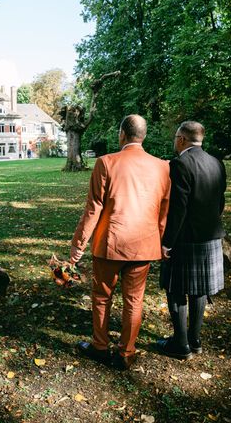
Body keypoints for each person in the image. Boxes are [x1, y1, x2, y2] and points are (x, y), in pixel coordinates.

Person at [70, 114, 171, 370]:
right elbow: (164, 210)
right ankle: (126, 352)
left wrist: (78, 247)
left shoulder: (106, 162)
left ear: (121, 135)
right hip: (144, 244)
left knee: (102, 297)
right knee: (134, 300)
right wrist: (161, 241)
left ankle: (100, 347)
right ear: (143, 136)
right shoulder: (163, 166)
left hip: (110, 244)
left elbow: (93, 209)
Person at [157, 121, 227, 360]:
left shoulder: (180, 163)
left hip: (186, 239)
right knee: (200, 290)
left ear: (182, 139)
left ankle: (180, 343)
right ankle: (195, 340)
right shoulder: (217, 162)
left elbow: (178, 208)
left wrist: (167, 242)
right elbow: (220, 202)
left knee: (175, 288)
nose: (175, 141)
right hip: (211, 236)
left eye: (176, 137)